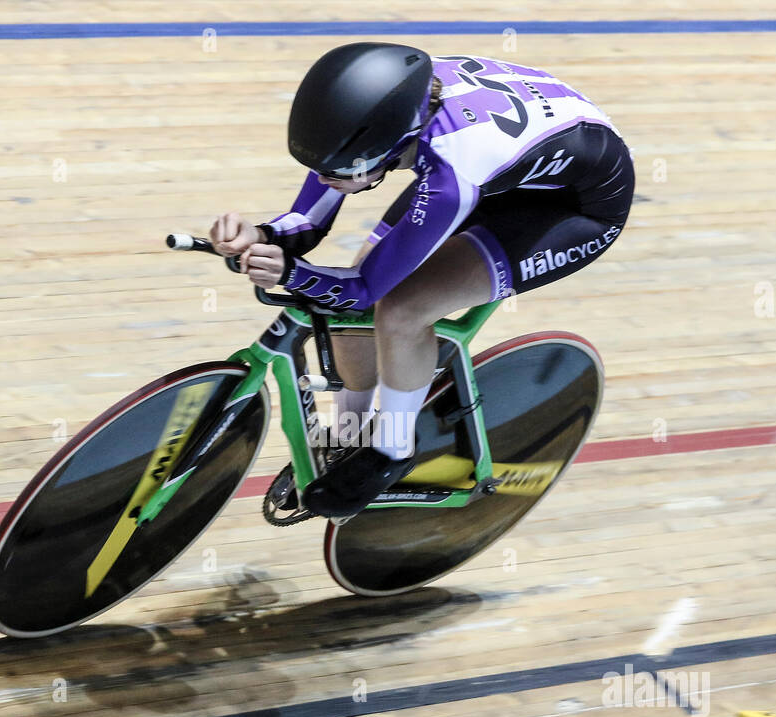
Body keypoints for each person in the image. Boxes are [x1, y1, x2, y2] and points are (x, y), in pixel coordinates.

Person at [209, 42, 633, 517]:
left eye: (341, 168)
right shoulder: (390, 103)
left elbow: (365, 288)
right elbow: (309, 219)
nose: (324, 178)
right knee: (356, 303)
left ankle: (390, 450)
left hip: (575, 206)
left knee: (402, 309)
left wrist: (289, 271)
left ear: (394, 142)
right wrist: (262, 233)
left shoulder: (452, 172)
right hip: (514, 162)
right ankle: (347, 437)